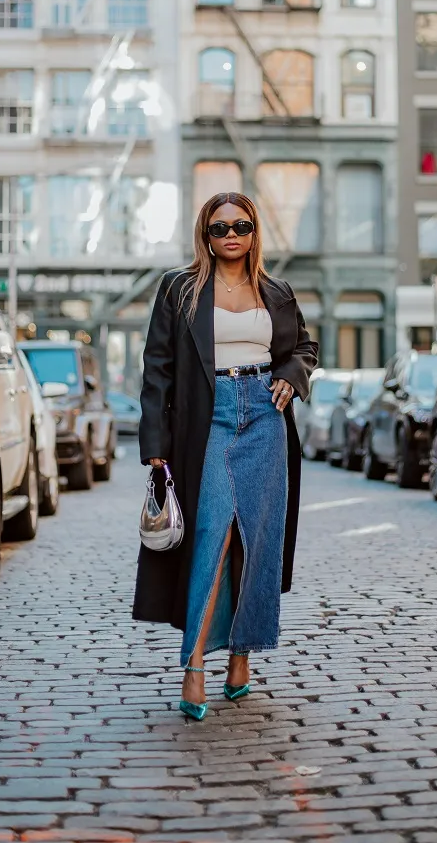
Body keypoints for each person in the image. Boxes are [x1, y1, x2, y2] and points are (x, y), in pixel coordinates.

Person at [133, 192, 318, 720]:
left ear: (255, 232)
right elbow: (156, 369)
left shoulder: (276, 292)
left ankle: (241, 659)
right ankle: (193, 664)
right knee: (213, 534)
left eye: (240, 225)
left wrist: (289, 377)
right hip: (207, 418)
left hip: (264, 415)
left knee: (258, 542)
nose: (230, 234)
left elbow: (304, 348)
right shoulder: (180, 289)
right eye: (219, 228)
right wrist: (155, 448)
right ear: (205, 236)